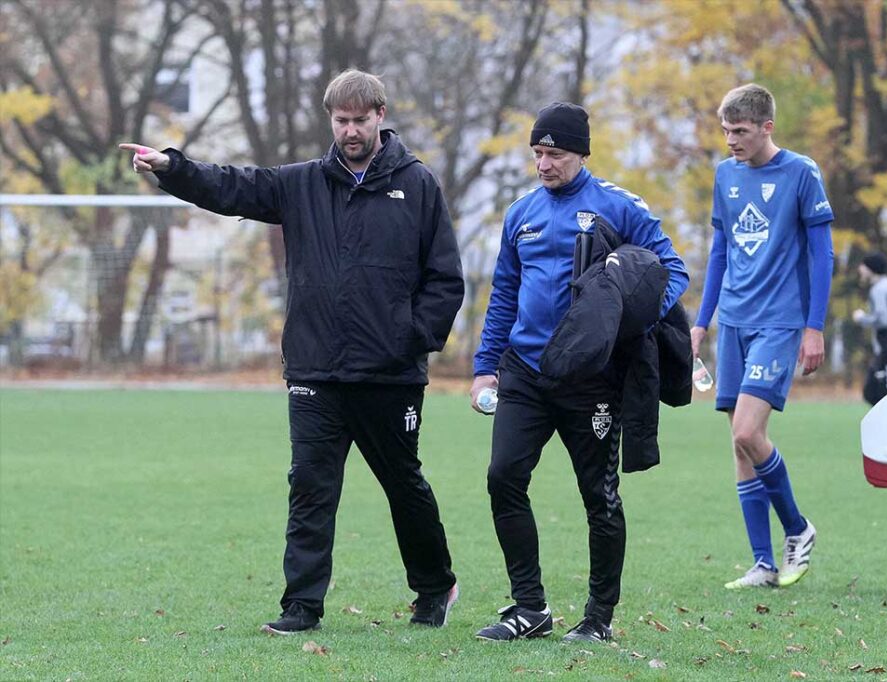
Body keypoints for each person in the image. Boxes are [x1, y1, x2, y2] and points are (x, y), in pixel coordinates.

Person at [119, 70, 464, 633]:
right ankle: (301, 606)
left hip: (390, 376)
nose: (350, 131)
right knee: (310, 487)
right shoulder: (303, 183)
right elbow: (233, 186)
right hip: (315, 372)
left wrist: (409, 338)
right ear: (330, 119)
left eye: (360, 120)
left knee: (405, 487)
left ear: (380, 115)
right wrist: (173, 169)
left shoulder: (418, 185)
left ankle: (434, 587)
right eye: (341, 120)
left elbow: (446, 279)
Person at [470, 102, 689, 643]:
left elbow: (672, 272)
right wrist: (484, 369)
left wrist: (625, 321)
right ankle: (529, 608)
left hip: (590, 378)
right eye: (537, 153)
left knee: (599, 496)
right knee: (503, 477)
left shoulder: (619, 207)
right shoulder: (520, 212)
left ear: (581, 153)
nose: (544, 164)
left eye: (556, 154)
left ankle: (598, 619)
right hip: (523, 370)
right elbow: (503, 293)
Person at [691, 84, 833, 589]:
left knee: (749, 432)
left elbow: (823, 255)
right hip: (733, 319)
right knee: (738, 443)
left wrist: (813, 327)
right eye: (726, 130)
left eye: (741, 131)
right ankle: (763, 563)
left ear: (767, 127)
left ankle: (798, 529)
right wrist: (702, 322)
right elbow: (721, 252)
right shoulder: (725, 175)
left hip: (779, 321)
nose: (731, 140)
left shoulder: (801, 172)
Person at [852, 252, 887, 405]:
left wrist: (862, 318)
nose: (860, 270)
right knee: (873, 392)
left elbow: (883, 320)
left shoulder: (878, 290)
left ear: (871, 268)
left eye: (863, 266)